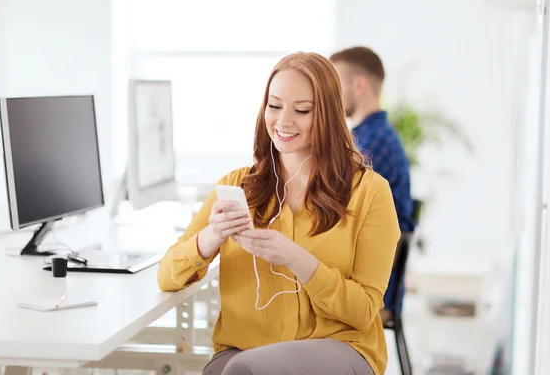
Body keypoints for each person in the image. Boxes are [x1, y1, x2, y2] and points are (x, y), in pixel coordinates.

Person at [157, 52, 400, 375]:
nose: (284, 122)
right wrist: (209, 238)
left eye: (302, 110)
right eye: (274, 106)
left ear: (328, 115)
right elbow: (166, 275)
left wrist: (299, 260)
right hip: (243, 351)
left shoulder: (369, 192)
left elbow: (363, 311)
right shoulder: (236, 187)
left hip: (340, 347)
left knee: (244, 371)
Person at [330, 46, 415, 324]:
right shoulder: (370, 137)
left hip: (373, 290)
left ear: (360, 84)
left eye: (335, 83)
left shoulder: (369, 146)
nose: (330, 94)